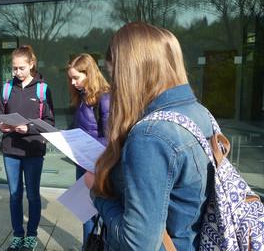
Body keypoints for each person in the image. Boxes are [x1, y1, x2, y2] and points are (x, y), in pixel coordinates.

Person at [84, 22, 213, 250]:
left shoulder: (150, 137)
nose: (114, 87)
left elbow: (137, 244)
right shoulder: (200, 113)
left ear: (130, 75)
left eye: (114, 76)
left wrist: (97, 193)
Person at [0, 45, 55, 251]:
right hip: (10, 149)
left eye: (21, 68)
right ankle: (18, 235)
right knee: (14, 195)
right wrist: (1, 125)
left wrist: (28, 127)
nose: (17, 72)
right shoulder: (6, 88)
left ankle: (31, 234)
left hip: (33, 150)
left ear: (32, 65)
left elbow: (49, 121)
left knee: (32, 195)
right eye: (14, 68)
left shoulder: (42, 89)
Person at [66, 53, 110, 249]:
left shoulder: (105, 98)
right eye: (71, 78)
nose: (73, 82)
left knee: (100, 213)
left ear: (89, 74)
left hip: (97, 164)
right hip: (83, 161)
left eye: (77, 77)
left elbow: (110, 138)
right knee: (85, 212)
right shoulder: (83, 96)